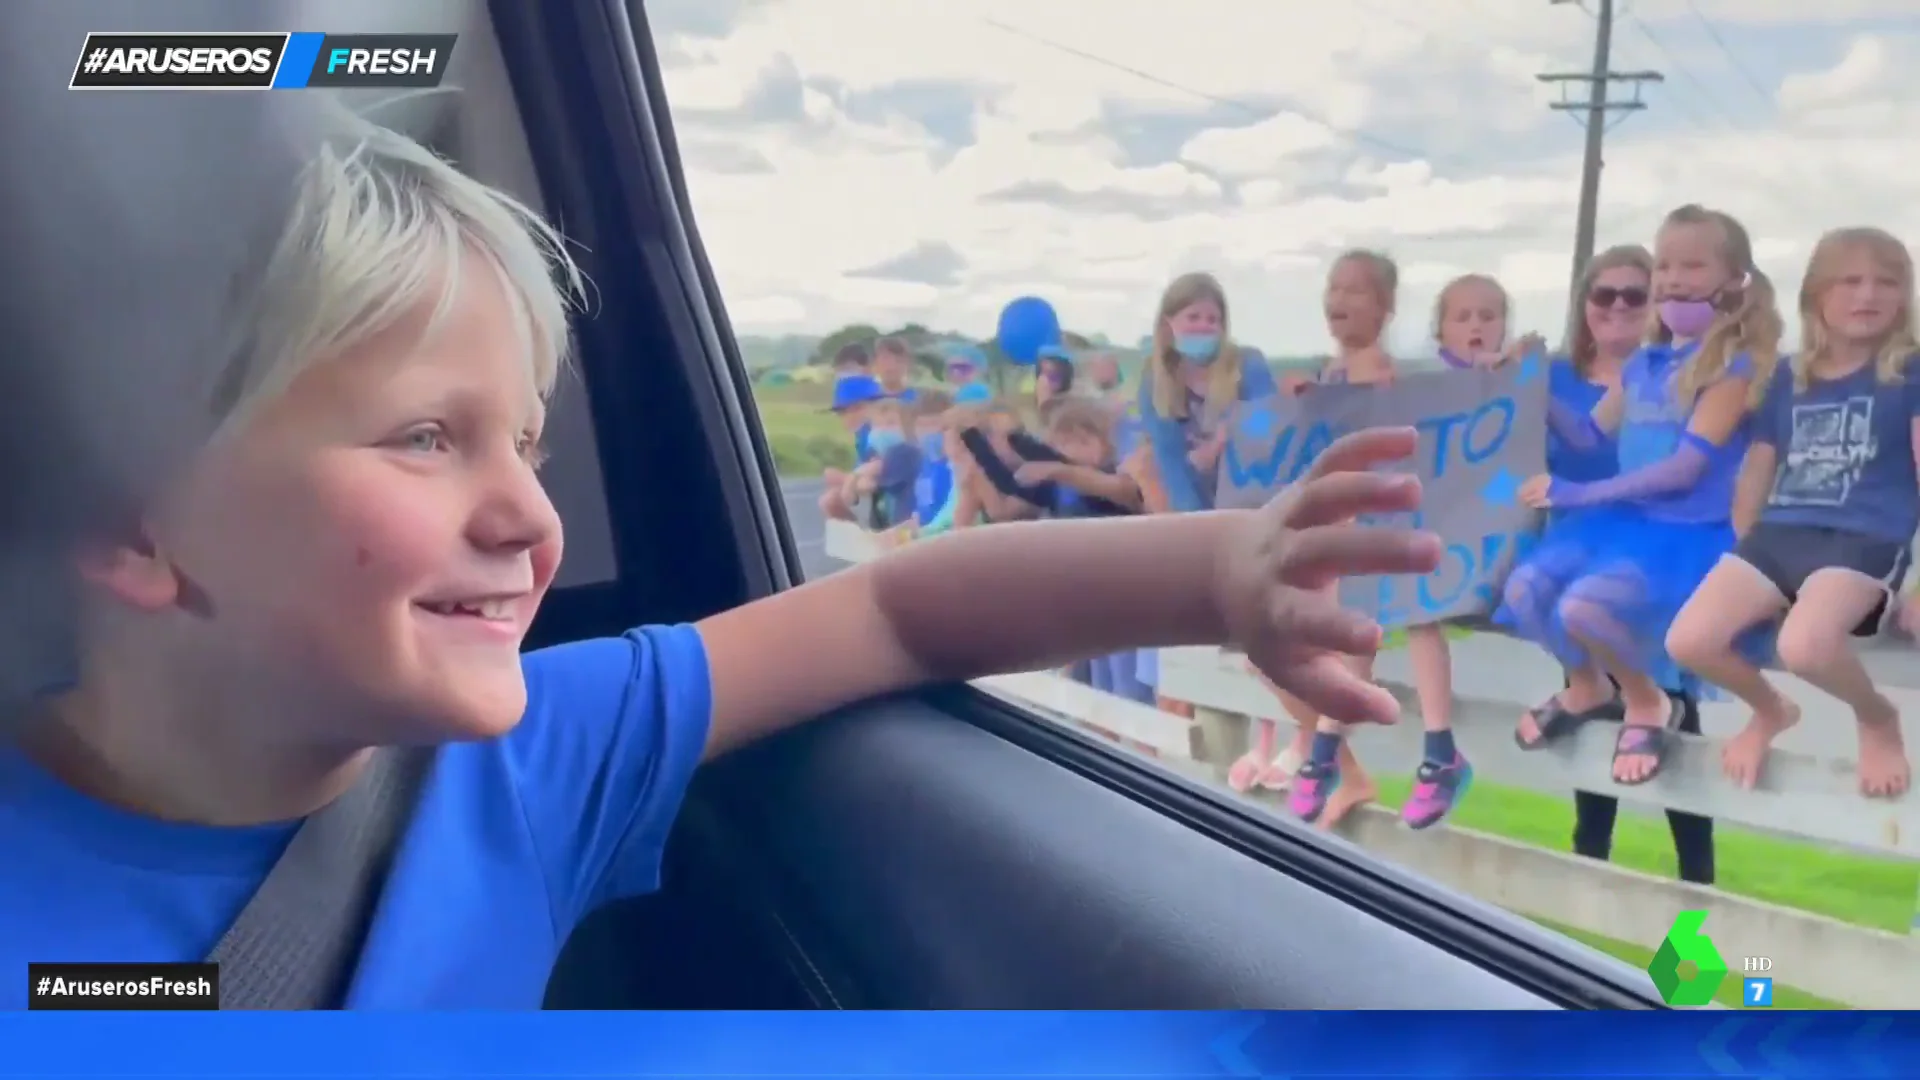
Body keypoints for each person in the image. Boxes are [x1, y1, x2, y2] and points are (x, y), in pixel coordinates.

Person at [0, 111, 1443, 1008]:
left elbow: (888, 611)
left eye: (529, 445)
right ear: (138, 520)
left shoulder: (534, 761)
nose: (528, 517)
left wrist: (1220, 572)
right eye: (428, 438)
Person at [1502, 203, 1781, 786]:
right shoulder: (1645, 363)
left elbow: (1684, 469)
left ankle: (1647, 700)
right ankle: (1586, 688)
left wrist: (1579, 494)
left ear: (1734, 281)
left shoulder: (1733, 367)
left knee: (1585, 607)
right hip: (1629, 524)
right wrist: (1527, 384)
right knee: (1527, 588)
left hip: (1688, 533)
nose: (1674, 279)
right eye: (1666, 265)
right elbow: (1587, 433)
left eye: (1694, 266)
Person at [1667, 226, 1919, 799]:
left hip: (1862, 539)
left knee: (1804, 646)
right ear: (1816, 296)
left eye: (1886, 282)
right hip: (1780, 535)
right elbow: (1759, 465)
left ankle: (1877, 717)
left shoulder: (1909, 373)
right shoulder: (1788, 376)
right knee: (1690, 640)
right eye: (1849, 281)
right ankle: (1770, 709)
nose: (1867, 295)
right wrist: (1743, 547)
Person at [1275, 254, 1475, 830]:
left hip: (1394, 522)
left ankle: (1439, 751)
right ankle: (1326, 749)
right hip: (1348, 531)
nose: (1340, 299)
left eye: (1357, 291)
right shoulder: (1325, 377)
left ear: (1385, 307)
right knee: (1352, 634)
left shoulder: (1393, 377)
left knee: (1416, 617)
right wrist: (1302, 403)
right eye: (1333, 288)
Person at [1135, 272, 1280, 717]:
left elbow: (1273, 429)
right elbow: (1171, 464)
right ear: (1169, 323)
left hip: (1257, 504)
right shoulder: (1155, 381)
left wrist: (1225, 440)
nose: (1202, 327)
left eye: (1212, 319)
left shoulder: (1246, 364)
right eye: (1192, 317)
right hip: (1200, 509)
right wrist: (1201, 536)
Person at [838, 396, 923, 531]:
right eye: (877, 425)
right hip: (890, 523)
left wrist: (855, 477)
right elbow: (862, 483)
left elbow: (868, 484)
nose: (883, 430)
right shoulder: (876, 453)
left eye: (891, 424)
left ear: (907, 428)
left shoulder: (906, 452)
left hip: (908, 524)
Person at [818, 373, 888, 523]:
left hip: (897, 502)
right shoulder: (863, 436)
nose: (845, 417)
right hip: (883, 500)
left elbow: (875, 482)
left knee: (831, 499)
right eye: (841, 413)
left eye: (852, 409)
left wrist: (845, 479)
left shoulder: (879, 435)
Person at [873, 335, 919, 403]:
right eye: (886, 359)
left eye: (898, 360)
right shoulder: (863, 400)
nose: (892, 365)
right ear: (875, 362)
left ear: (908, 364)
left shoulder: (921, 400)